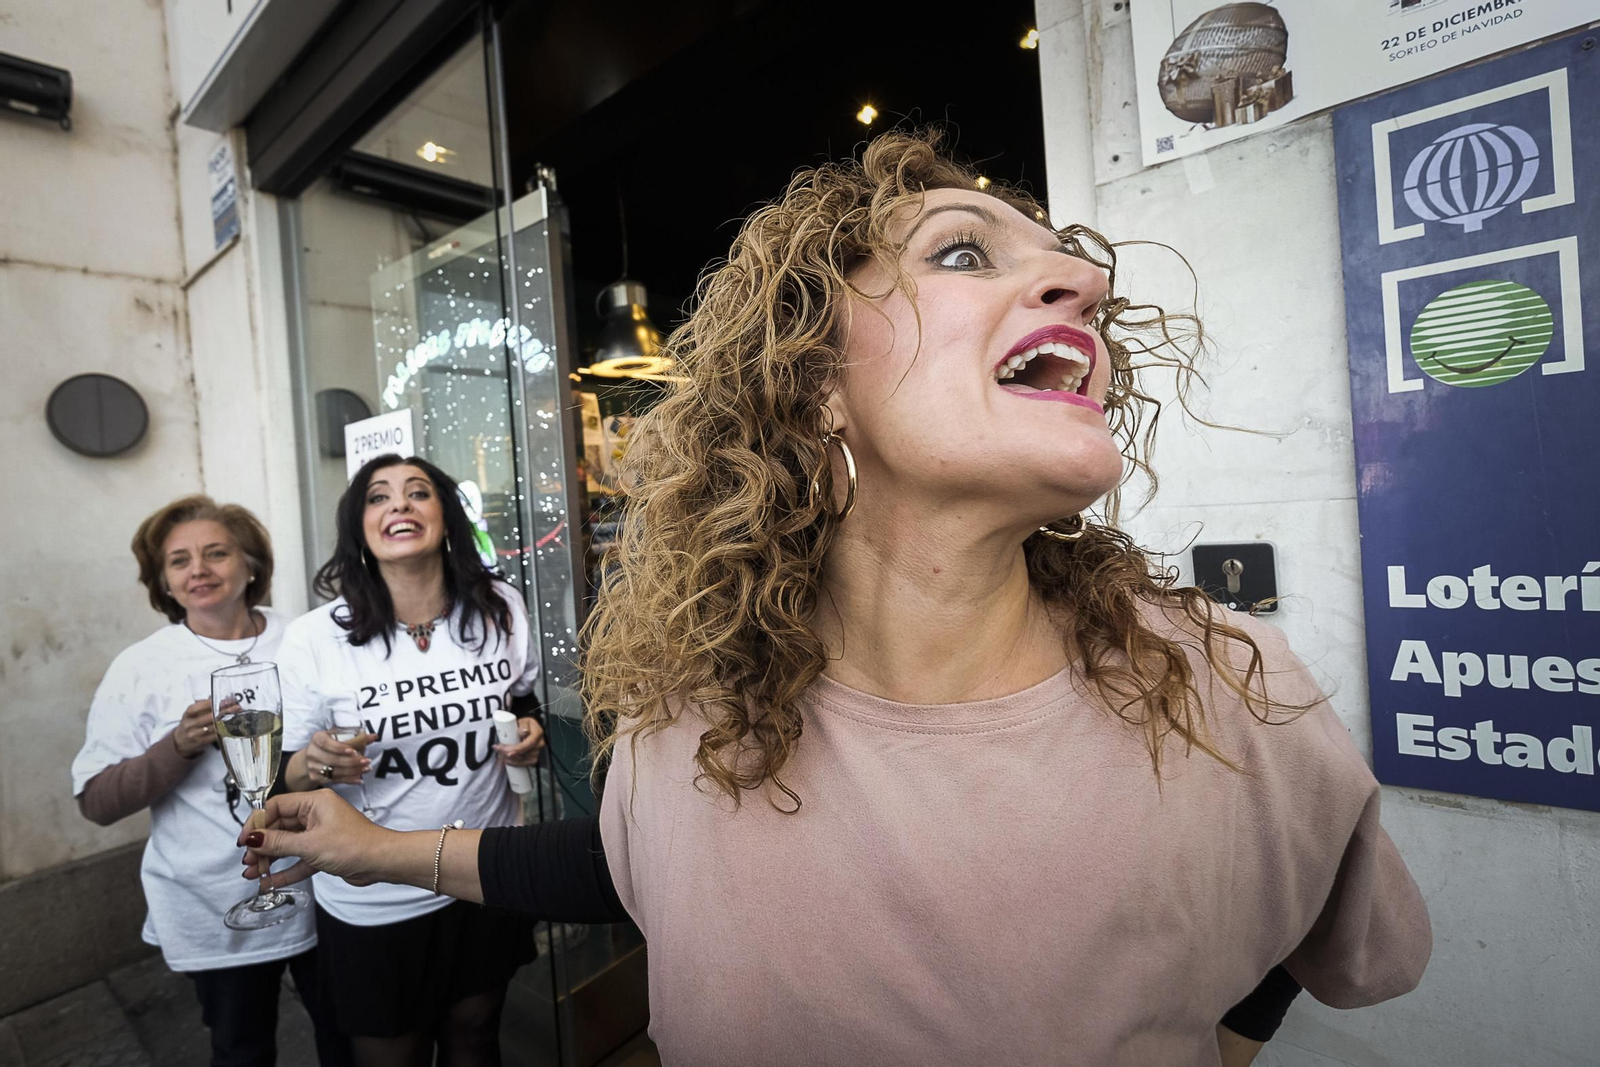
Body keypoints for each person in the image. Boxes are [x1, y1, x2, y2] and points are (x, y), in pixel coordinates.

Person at [239, 130, 1432, 1066]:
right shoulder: (686, 711)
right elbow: (629, 869)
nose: (1081, 275)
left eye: (1070, 262)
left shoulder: (1227, 687)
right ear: (813, 383)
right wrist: (375, 847)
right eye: (963, 251)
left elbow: (1317, 932)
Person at [274, 454, 546, 1067]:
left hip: (485, 866)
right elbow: (284, 775)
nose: (399, 504)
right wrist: (316, 763)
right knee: (390, 1055)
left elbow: (523, 706)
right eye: (379, 497)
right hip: (378, 891)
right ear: (359, 528)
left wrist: (531, 733)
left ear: (445, 517)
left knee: (476, 1037)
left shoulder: (499, 606)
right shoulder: (317, 637)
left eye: (418, 492)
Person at [72, 495, 347, 1067]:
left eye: (216, 552)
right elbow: (96, 801)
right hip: (214, 906)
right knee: (242, 1052)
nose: (198, 569)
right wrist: (175, 748)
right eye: (178, 561)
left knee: (346, 1039)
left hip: (325, 892)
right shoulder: (142, 666)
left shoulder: (303, 640)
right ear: (164, 583)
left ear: (251, 565)